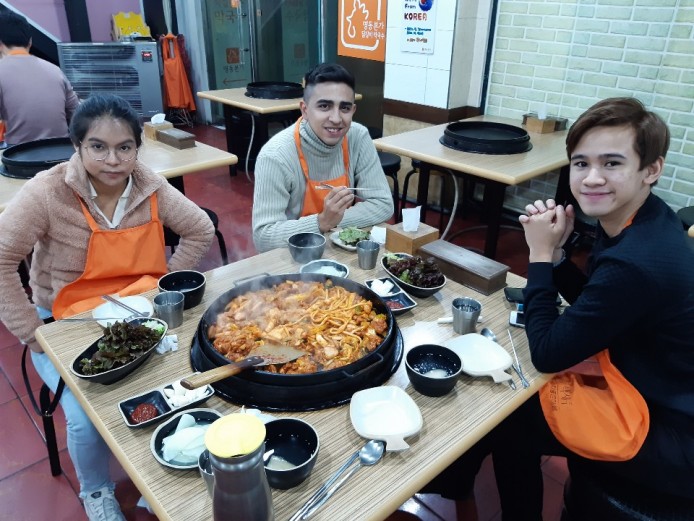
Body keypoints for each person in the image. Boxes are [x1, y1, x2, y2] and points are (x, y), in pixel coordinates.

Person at [0, 93, 214, 521]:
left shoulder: (151, 187)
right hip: (63, 321)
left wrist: (166, 288)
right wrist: (32, 333)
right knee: (84, 417)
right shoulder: (48, 192)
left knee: (187, 380)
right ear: (77, 146)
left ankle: (157, 475)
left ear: (138, 147)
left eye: (124, 147)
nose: (113, 160)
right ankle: (96, 490)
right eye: (98, 147)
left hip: (141, 316)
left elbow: (200, 229)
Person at [487, 97, 694, 518]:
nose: (592, 178)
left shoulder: (638, 259)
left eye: (612, 163)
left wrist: (539, 255)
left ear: (651, 169)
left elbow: (547, 353)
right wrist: (558, 257)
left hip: (671, 430)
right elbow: (600, 301)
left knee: (510, 425)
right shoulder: (645, 217)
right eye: (581, 163)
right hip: (655, 381)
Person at [251, 62, 393, 252]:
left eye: (344, 108)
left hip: (340, 248)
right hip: (293, 255)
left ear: (353, 111)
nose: (336, 119)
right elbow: (264, 236)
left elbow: (383, 204)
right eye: (324, 106)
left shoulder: (357, 137)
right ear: (305, 110)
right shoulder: (276, 156)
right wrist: (322, 221)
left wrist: (334, 220)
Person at [0, 10, 80, 146]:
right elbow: (78, 114)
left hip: (19, 155)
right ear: (30, 42)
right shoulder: (56, 70)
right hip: (62, 151)